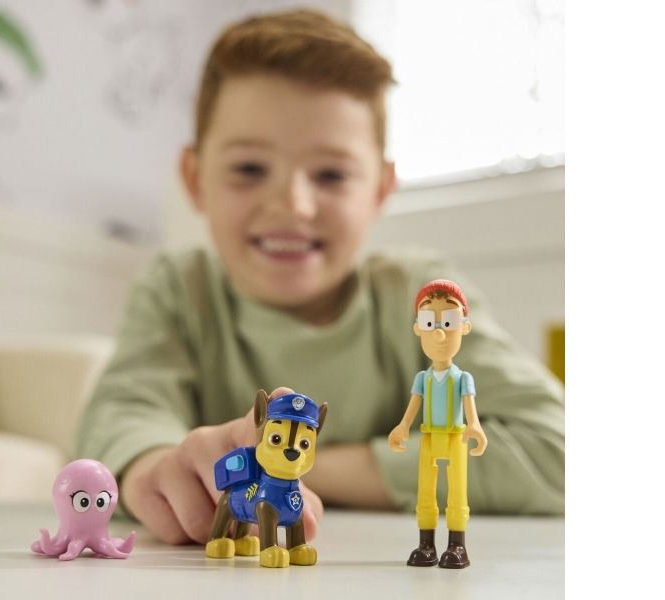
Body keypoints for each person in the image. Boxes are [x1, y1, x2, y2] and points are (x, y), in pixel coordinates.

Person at [75, 9, 565, 546]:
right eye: (249, 169)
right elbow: (121, 418)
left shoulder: (422, 297)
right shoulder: (178, 288)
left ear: (379, 189)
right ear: (195, 179)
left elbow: (557, 448)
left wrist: (286, 466)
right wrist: (153, 467)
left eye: (331, 174)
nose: (293, 205)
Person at [388, 279, 486, 569]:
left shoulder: (462, 378)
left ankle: (457, 546)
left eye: (449, 321)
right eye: (429, 322)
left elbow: (470, 408)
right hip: (429, 438)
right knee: (425, 492)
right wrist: (403, 426)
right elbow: (413, 408)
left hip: (456, 438)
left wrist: (475, 426)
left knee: (457, 492)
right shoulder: (424, 378)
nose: (439, 332)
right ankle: (426, 544)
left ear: (464, 327)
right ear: (418, 329)